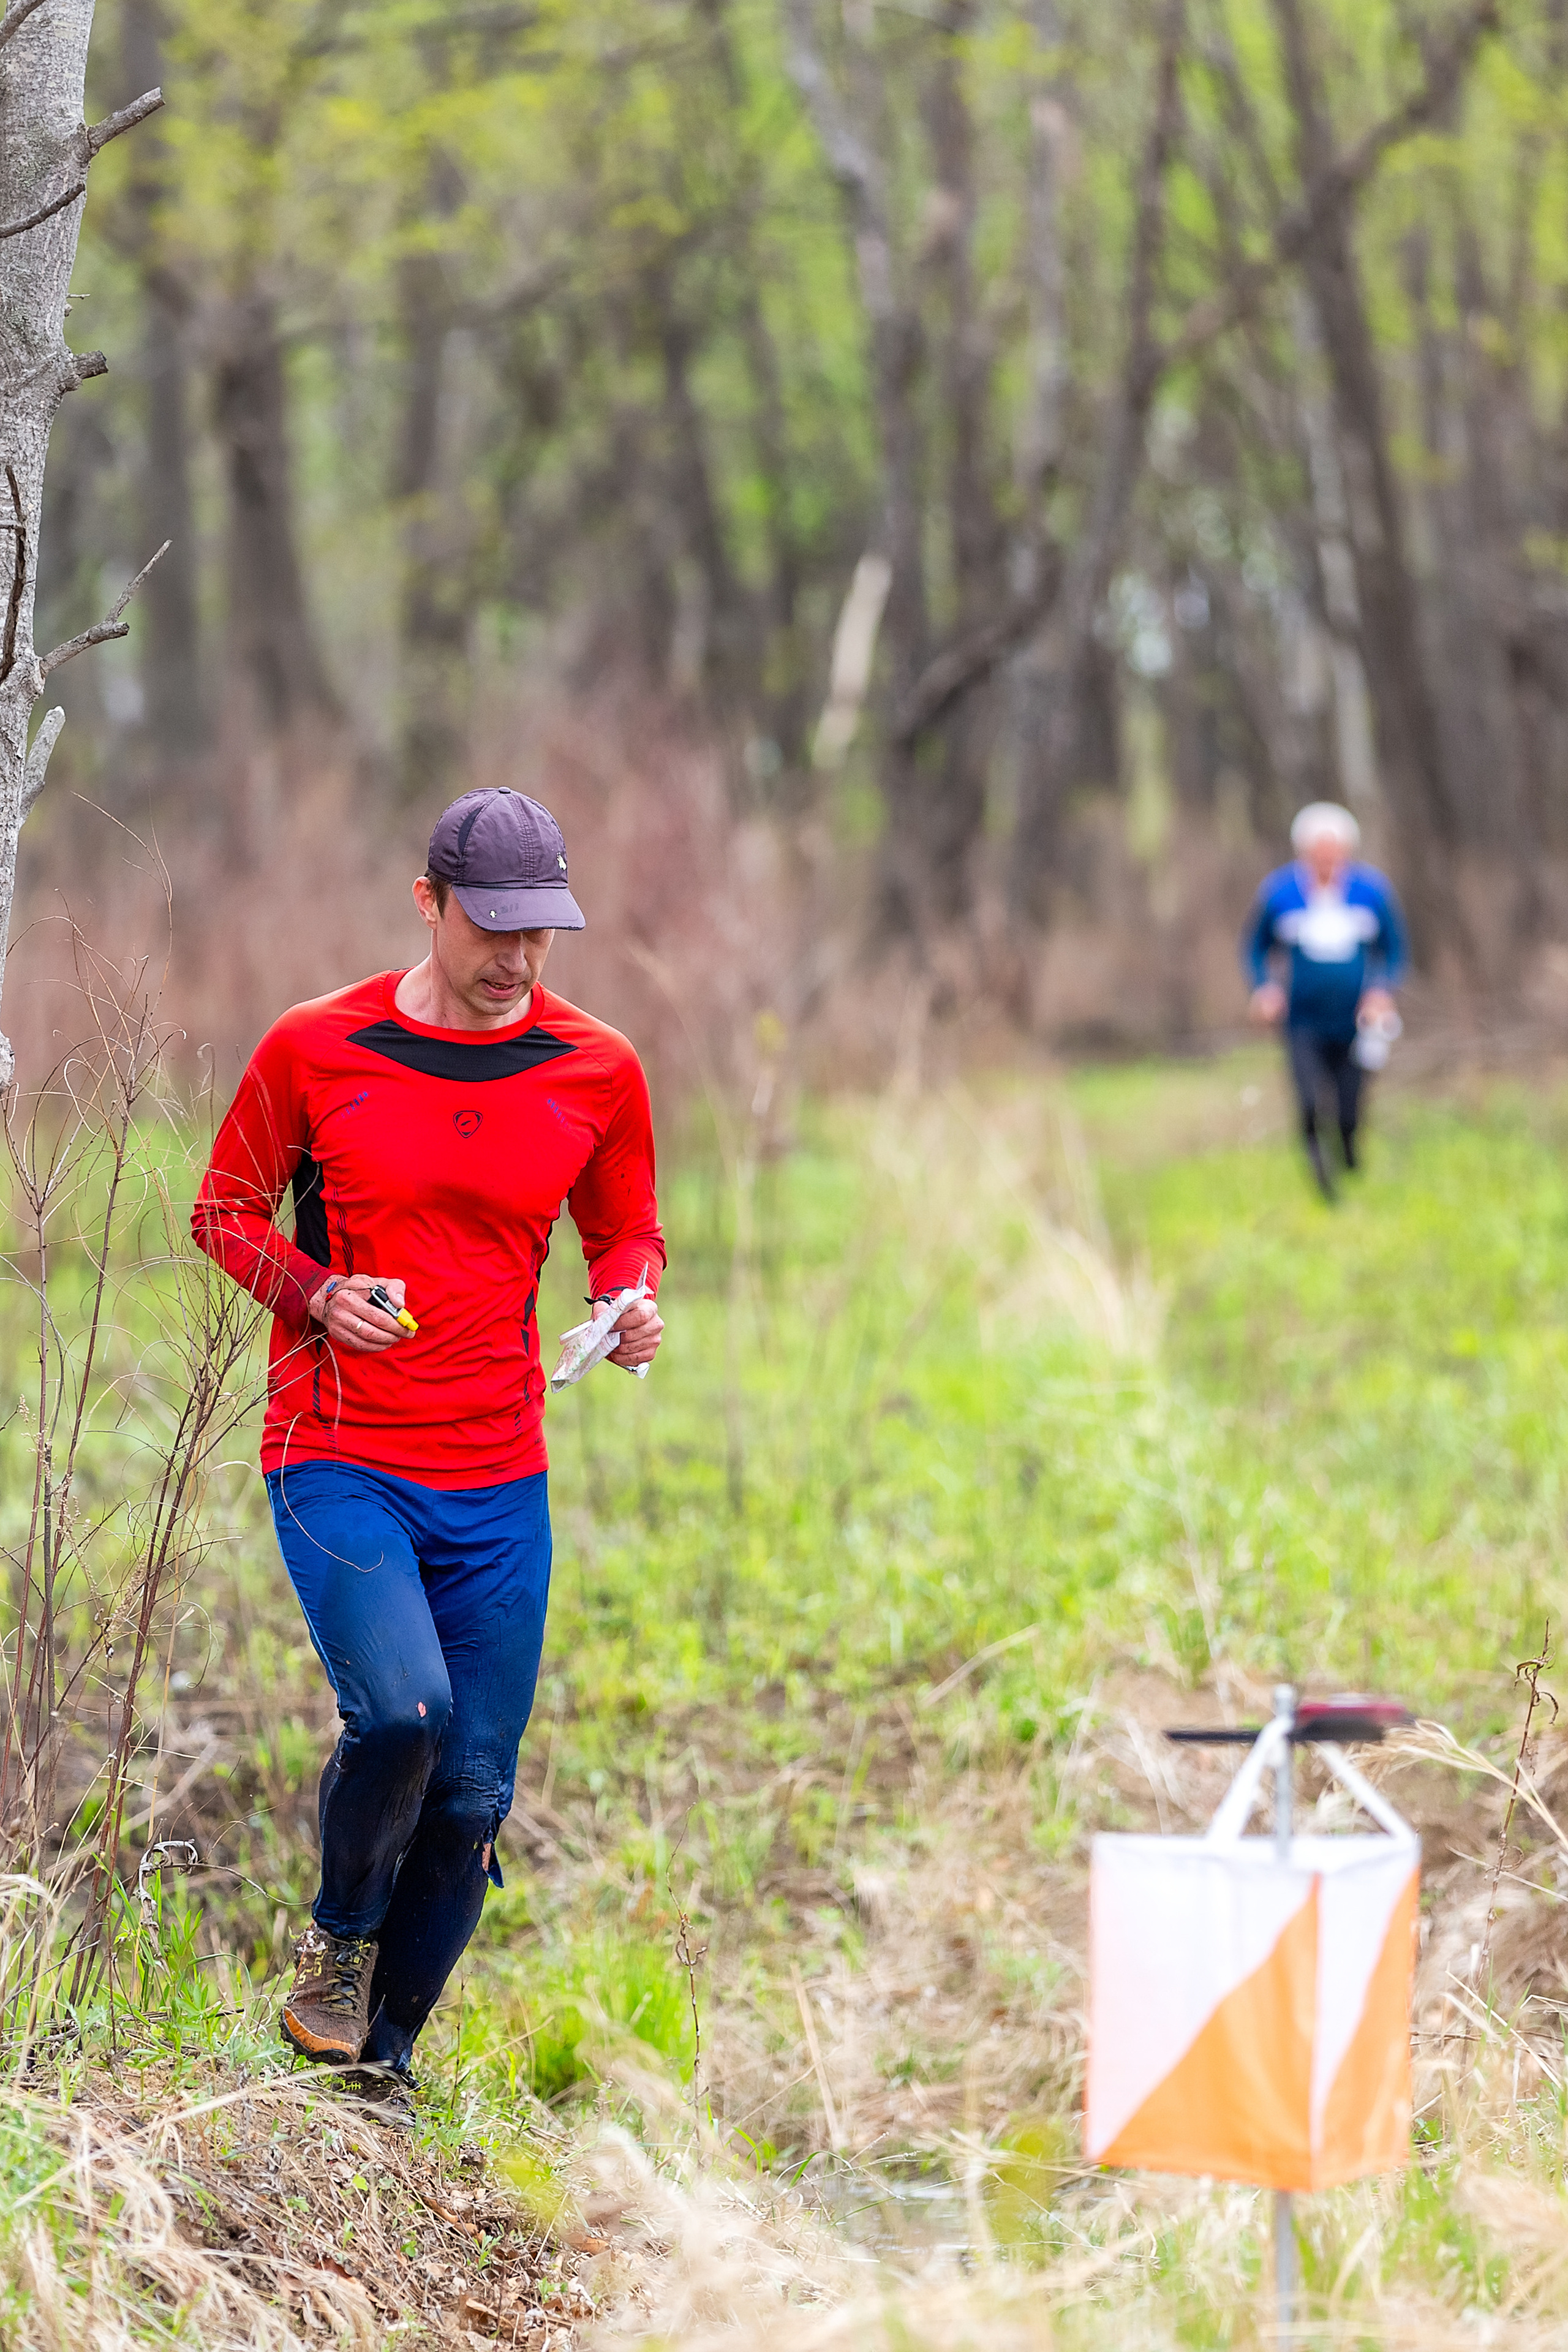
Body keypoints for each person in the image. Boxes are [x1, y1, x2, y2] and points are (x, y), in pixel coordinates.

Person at [193, 786, 665, 2091]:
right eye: (489, 929)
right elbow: (224, 1210)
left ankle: (377, 2075)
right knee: (403, 1715)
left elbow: (624, 1227)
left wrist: (627, 1301)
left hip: (497, 1475)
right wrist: (312, 1292)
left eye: (540, 934)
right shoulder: (317, 1046)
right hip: (339, 1452)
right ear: (427, 905)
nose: (514, 960)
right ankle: (337, 1950)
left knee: (469, 1798)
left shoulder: (596, 1068)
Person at [1243, 802, 1408, 1199]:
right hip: (1302, 1020)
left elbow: (1395, 950)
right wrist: (1264, 988)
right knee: (1310, 1099)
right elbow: (1254, 948)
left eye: (1334, 851)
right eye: (1318, 852)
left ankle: (1350, 1155)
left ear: (1347, 850)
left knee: (1350, 1104)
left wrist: (1381, 990)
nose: (1327, 859)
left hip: (1356, 1020)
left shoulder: (1372, 891)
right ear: (1303, 851)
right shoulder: (1279, 892)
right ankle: (1321, 1177)